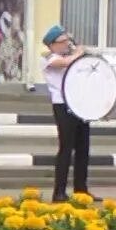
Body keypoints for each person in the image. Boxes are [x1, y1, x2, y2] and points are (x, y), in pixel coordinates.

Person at [40, 25, 88, 204]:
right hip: (62, 104)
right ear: (52, 45)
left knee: (83, 148)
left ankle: (81, 189)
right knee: (66, 148)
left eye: (68, 40)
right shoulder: (48, 58)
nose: (66, 44)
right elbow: (64, 63)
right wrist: (78, 53)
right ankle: (59, 191)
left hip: (79, 104)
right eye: (62, 41)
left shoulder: (69, 56)